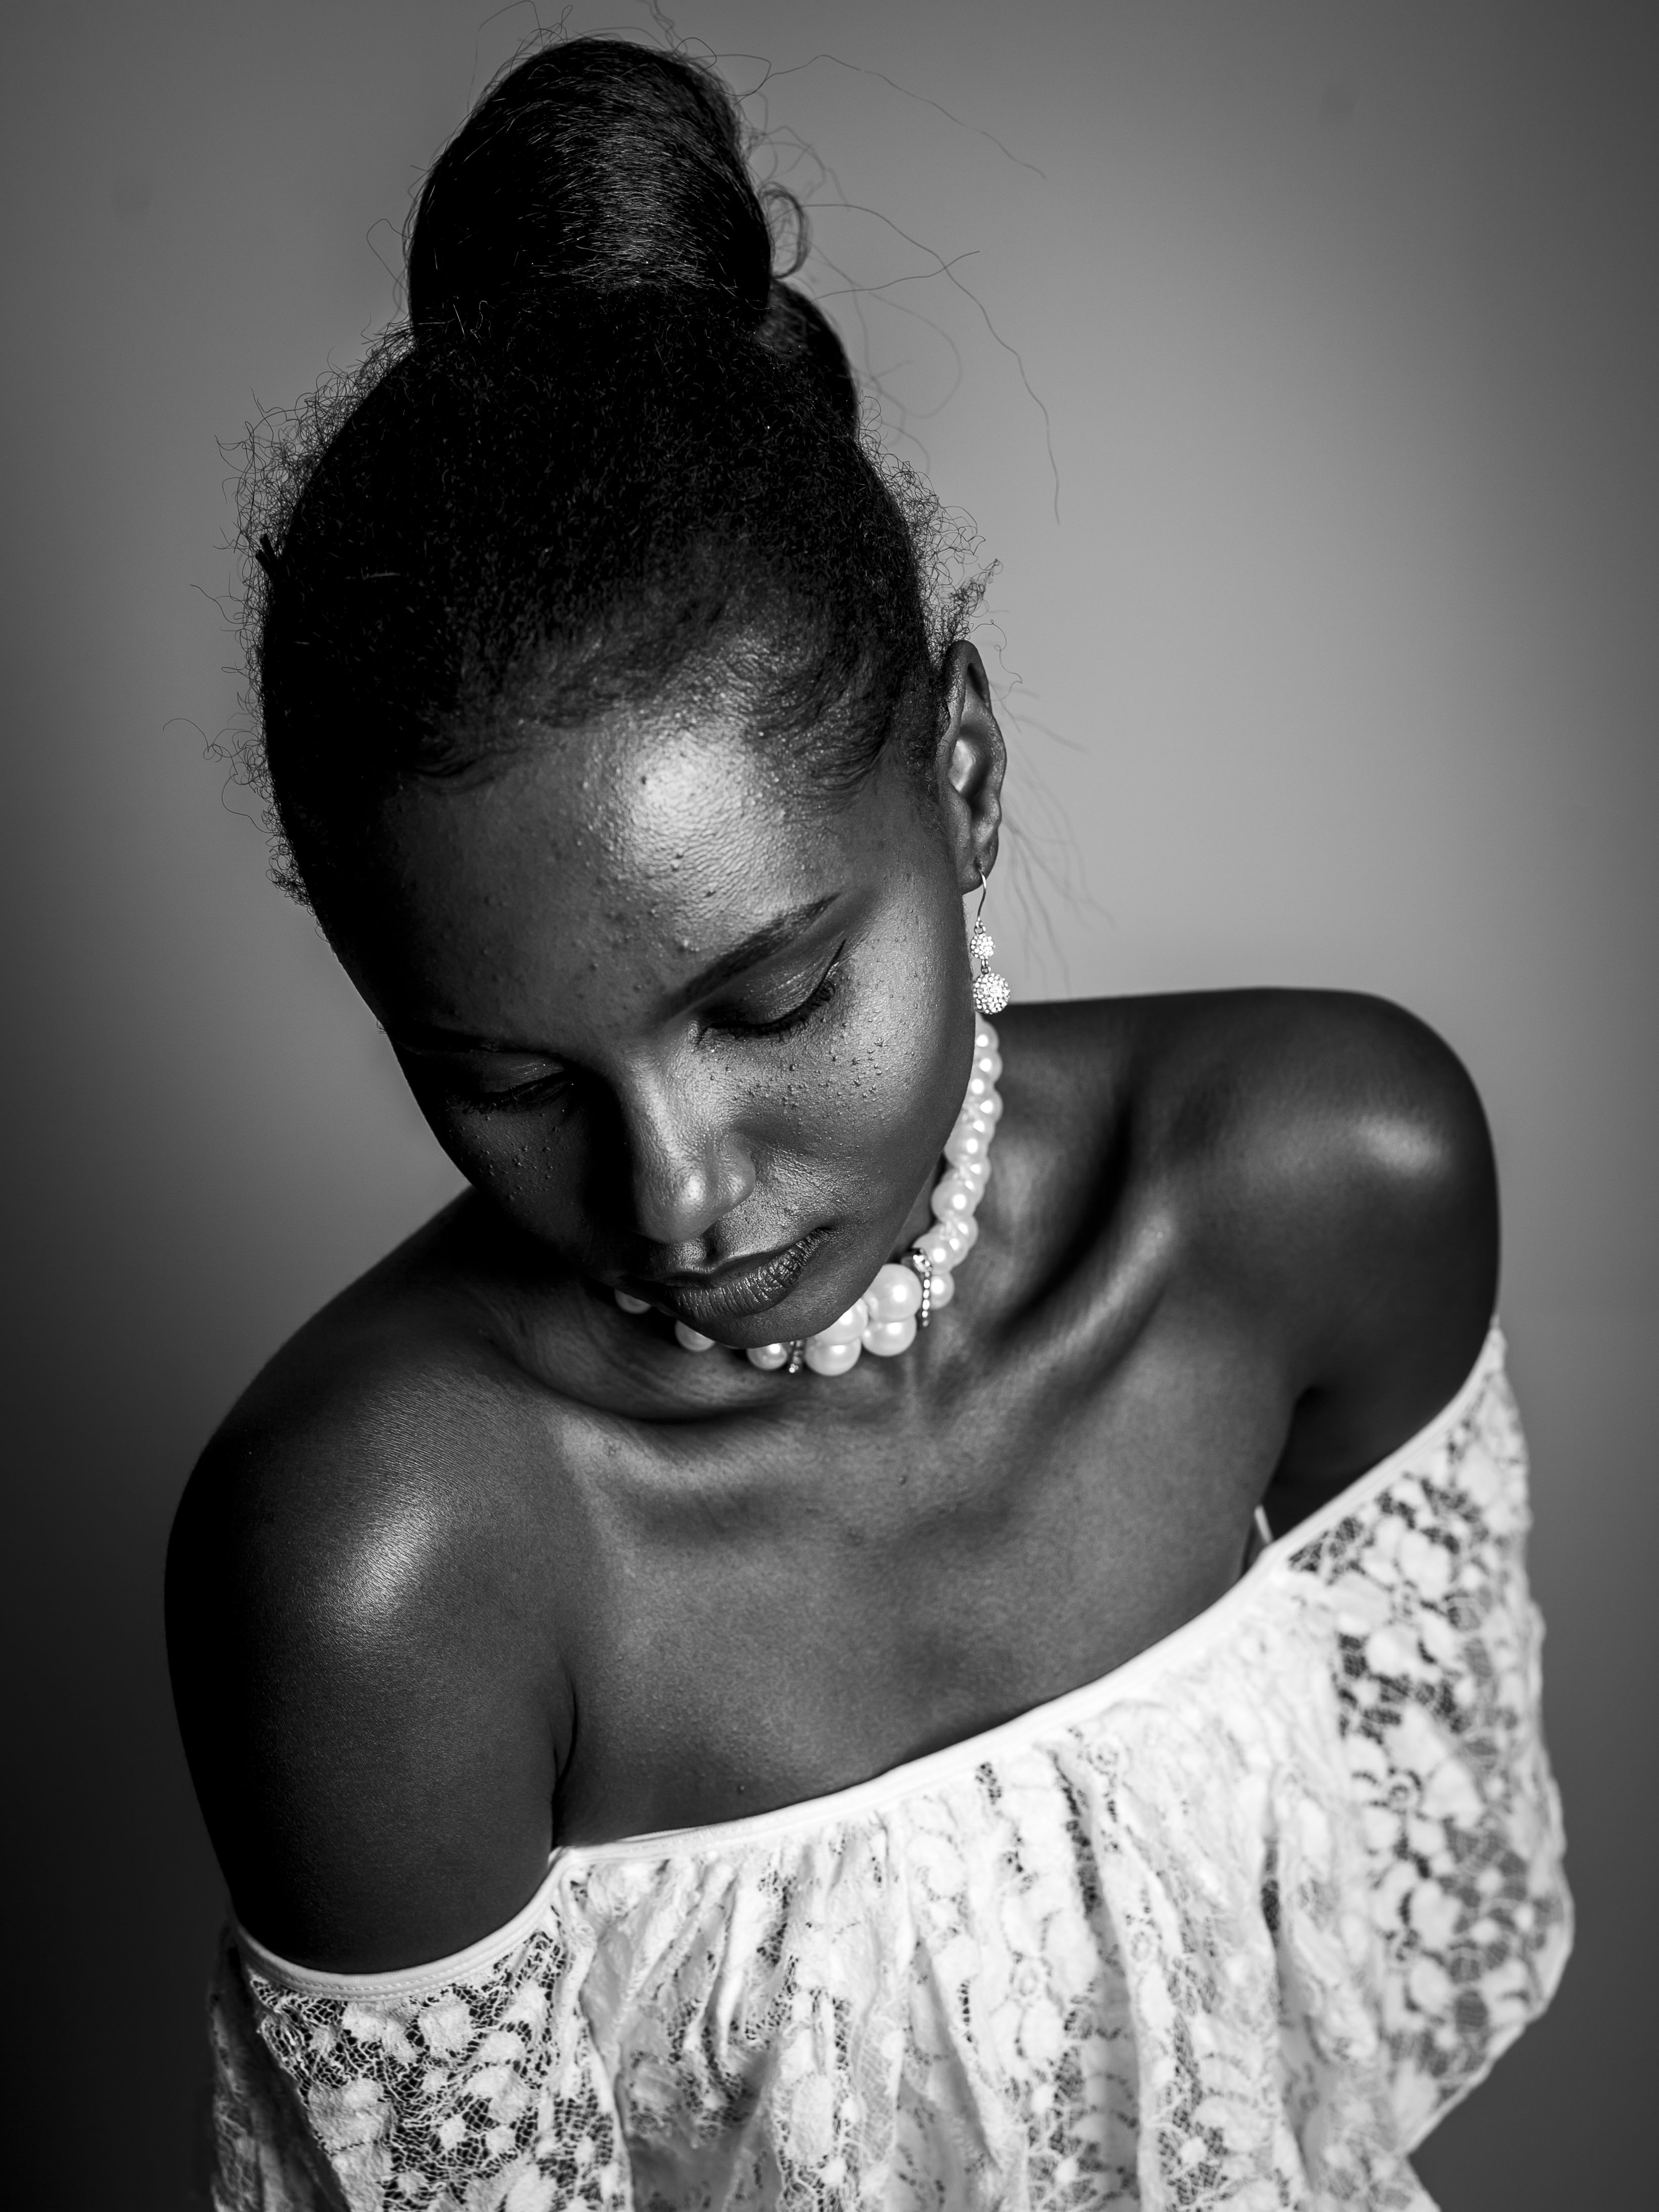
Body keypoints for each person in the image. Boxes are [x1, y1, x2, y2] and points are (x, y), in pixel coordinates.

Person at [167, 35, 1569, 2212]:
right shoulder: (384, 1573)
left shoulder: (1335, 1186)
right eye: (508, 1082)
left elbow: (1373, 2030)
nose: (676, 1192)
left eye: (772, 1001)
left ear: (969, 774)